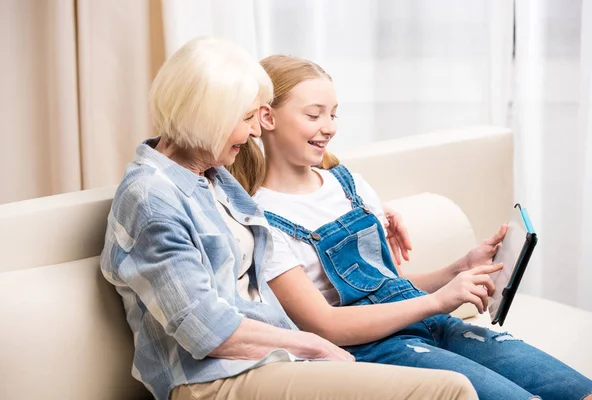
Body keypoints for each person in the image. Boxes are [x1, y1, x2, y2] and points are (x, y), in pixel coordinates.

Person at [100, 37, 478, 400]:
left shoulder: (210, 177)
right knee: (450, 390)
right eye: (246, 118)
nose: (253, 132)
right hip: (213, 380)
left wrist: (368, 213)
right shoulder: (151, 199)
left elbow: (286, 209)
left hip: (273, 359)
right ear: (207, 117)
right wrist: (313, 343)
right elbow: (207, 332)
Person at [229, 54, 592, 400]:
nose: (329, 128)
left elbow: (391, 289)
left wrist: (458, 269)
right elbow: (325, 324)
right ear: (267, 118)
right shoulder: (259, 218)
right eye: (314, 115)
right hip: (374, 350)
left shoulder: (348, 183)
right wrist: (438, 300)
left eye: (334, 114)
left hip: (432, 323)